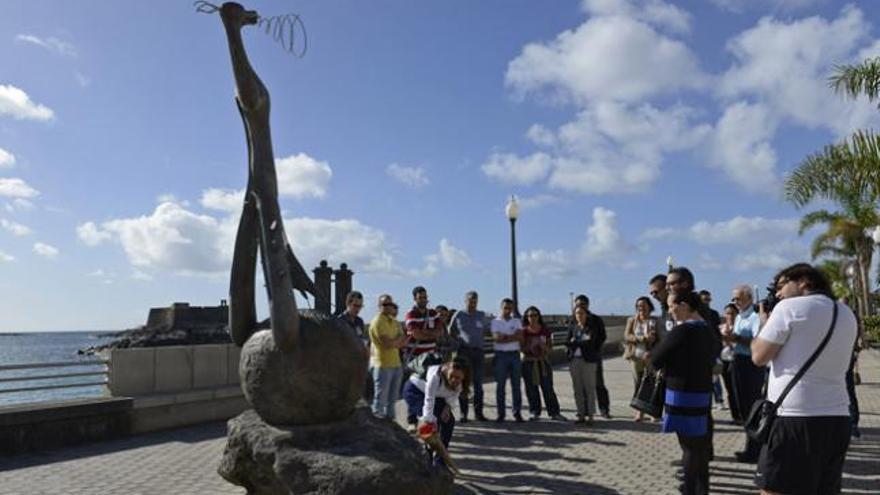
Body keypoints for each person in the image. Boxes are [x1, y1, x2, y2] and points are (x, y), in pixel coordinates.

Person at [750, 263, 857, 495]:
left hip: (794, 418)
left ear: (804, 282)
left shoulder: (789, 308)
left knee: (774, 489)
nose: (777, 294)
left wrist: (764, 323)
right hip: (837, 416)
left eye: (781, 286)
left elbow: (758, 356)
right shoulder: (846, 313)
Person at [651, 291, 721, 495]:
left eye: (672, 305)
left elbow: (656, 358)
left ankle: (690, 490)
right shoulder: (707, 330)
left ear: (684, 305)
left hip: (682, 394)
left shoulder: (681, 331)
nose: (670, 310)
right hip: (701, 393)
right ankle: (702, 489)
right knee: (700, 448)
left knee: (689, 448)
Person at [402, 357, 471, 469]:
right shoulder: (435, 376)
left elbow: (453, 396)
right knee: (429, 427)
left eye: (458, 378)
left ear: (464, 376)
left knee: (449, 422)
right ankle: (427, 460)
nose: (454, 380)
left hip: (437, 396)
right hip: (415, 391)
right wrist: (429, 421)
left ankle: (440, 461)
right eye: (451, 376)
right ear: (447, 368)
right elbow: (429, 400)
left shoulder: (461, 383)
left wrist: (447, 407)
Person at [724, 284, 765, 463]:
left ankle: (754, 449)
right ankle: (751, 446)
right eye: (734, 299)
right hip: (737, 361)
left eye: (739, 299)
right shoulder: (739, 316)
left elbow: (758, 341)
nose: (736, 302)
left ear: (749, 298)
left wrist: (736, 338)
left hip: (751, 364)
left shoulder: (755, 317)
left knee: (751, 407)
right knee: (741, 407)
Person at [448, 291, 489, 422]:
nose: (472, 303)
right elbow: (451, 331)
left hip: (478, 352)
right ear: (465, 300)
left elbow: (489, 329)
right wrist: (459, 342)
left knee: (478, 385)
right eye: (470, 301)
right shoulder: (458, 315)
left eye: (475, 301)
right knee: (463, 384)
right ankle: (463, 414)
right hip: (464, 352)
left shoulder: (482, 315)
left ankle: (479, 413)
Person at [521, 306, 566, 421]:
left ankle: (554, 412)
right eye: (530, 315)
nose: (533, 318)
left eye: (535, 315)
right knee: (531, 389)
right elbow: (520, 347)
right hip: (529, 363)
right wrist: (529, 347)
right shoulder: (523, 331)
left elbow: (551, 347)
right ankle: (535, 412)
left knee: (548, 388)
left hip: (543, 362)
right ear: (526, 317)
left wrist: (544, 348)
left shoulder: (545, 330)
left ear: (539, 316)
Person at [368, 294, 408, 419]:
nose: (388, 307)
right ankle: (376, 428)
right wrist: (397, 341)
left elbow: (403, 341)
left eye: (390, 304)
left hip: (396, 364)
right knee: (380, 399)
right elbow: (388, 343)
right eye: (385, 304)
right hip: (382, 365)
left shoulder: (395, 322)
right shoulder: (377, 322)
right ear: (379, 306)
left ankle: (390, 425)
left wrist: (395, 342)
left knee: (393, 399)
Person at [566, 305, 605, 424]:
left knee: (589, 388)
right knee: (577, 389)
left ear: (586, 314)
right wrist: (577, 343)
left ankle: (591, 415)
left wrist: (576, 343)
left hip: (588, 361)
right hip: (575, 360)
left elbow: (590, 342)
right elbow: (568, 342)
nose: (579, 316)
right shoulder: (573, 327)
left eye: (582, 313)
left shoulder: (591, 328)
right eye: (577, 313)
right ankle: (580, 414)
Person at [573, 295, 611, 418]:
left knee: (598, 383)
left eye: (583, 304)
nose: (581, 306)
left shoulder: (596, 320)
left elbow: (602, 336)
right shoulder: (573, 319)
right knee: (581, 386)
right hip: (578, 358)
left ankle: (604, 409)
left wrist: (593, 347)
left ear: (588, 305)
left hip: (593, 357)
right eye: (578, 304)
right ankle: (584, 410)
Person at [624, 296, 658, 421]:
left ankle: (652, 412)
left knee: (651, 383)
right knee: (638, 384)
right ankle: (640, 412)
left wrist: (652, 341)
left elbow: (659, 338)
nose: (641, 308)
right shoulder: (632, 321)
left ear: (649, 306)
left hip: (649, 356)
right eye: (639, 306)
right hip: (635, 356)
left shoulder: (654, 321)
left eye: (644, 305)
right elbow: (627, 336)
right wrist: (640, 338)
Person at [491, 298, 524, 422]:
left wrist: (505, 336)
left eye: (510, 308)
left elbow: (520, 337)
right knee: (501, 386)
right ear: (501, 308)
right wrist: (512, 336)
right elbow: (497, 339)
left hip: (514, 355)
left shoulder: (516, 321)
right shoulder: (496, 321)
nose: (508, 310)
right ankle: (501, 413)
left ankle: (517, 412)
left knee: (516, 385)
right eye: (505, 308)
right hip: (501, 356)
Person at [338, 291, 372, 402]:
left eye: (360, 306)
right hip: (345, 364)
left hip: (358, 363)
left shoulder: (359, 321)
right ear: (348, 304)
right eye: (356, 306)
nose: (358, 309)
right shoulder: (340, 321)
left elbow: (362, 340)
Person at [404, 286, 442, 359]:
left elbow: (440, 332)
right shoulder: (411, 314)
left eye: (425, 297)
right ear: (415, 299)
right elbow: (417, 335)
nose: (424, 300)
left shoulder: (433, 313)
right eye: (420, 298)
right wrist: (432, 335)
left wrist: (424, 332)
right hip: (415, 357)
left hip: (432, 356)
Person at [719, 303, 740, 420]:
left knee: (738, 389)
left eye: (733, 313)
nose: (730, 316)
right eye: (728, 313)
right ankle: (735, 416)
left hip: (737, 361)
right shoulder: (721, 328)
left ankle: (742, 414)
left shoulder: (740, 328)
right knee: (730, 390)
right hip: (725, 361)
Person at [649, 274, 674, 339]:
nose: (653, 296)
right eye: (651, 293)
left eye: (656, 292)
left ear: (667, 288)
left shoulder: (681, 308)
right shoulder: (664, 310)